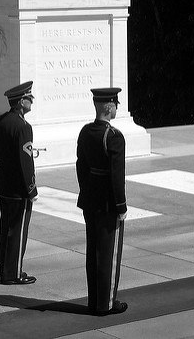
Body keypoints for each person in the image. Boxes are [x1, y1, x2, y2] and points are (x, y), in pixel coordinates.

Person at [76, 87, 128, 316]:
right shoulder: (114, 136)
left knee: (93, 251)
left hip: (90, 200)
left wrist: (86, 191)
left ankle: (94, 300)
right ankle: (106, 303)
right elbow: (117, 176)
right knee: (108, 253)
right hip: (108, 203)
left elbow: (81, 166)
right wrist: (121, 206)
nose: (117, 107)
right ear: (109, 106)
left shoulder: (86, 132)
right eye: (116, 104)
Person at [0, 81, 38, 285]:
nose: (31, 101)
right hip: (18, 188)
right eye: (28, 98)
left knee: (6, 229)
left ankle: (5, 270)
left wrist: (6, 158)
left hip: (3, 184)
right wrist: (31, 189)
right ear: (20, 102)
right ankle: (13, 274)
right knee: (17, 231)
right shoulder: (23, 127)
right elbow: (26, 163)